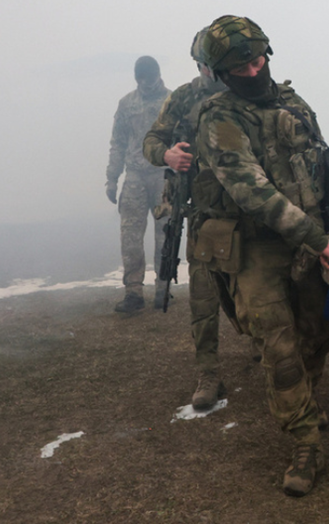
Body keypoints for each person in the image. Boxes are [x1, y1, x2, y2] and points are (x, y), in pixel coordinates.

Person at [193, 15, 329, 497]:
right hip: (257, 246)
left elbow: (323, 171)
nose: (254, 71)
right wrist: (317, 238)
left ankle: (307, 401)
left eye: (258, 61)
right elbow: (250, 190)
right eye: (241, 68)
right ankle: (305, 442)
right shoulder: (219, 117)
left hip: (310, 239)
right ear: (222, 73)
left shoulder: (295, 104)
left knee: (317, 335)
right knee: (279, 350)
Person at [142, 28, 231, 410]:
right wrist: (167, 156)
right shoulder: (183, 97)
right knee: (203, 300)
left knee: (257, 294)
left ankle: (266, 352)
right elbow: (151, 140)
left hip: (250, 212)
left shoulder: (248, 92)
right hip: (205, 215)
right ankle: (208, 373)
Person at [106, 56, 172, 312]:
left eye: (149, 78)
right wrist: (112, 178)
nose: (146, 83)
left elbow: (184, 138)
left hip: (164, 176)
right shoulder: (127, 103)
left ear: (158, 75)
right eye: (141, 79)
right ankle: (133, 292)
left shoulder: (172, 101)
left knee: (165, 235)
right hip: (135, 176)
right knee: (130, 237)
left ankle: (163, 289)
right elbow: (118, 142)